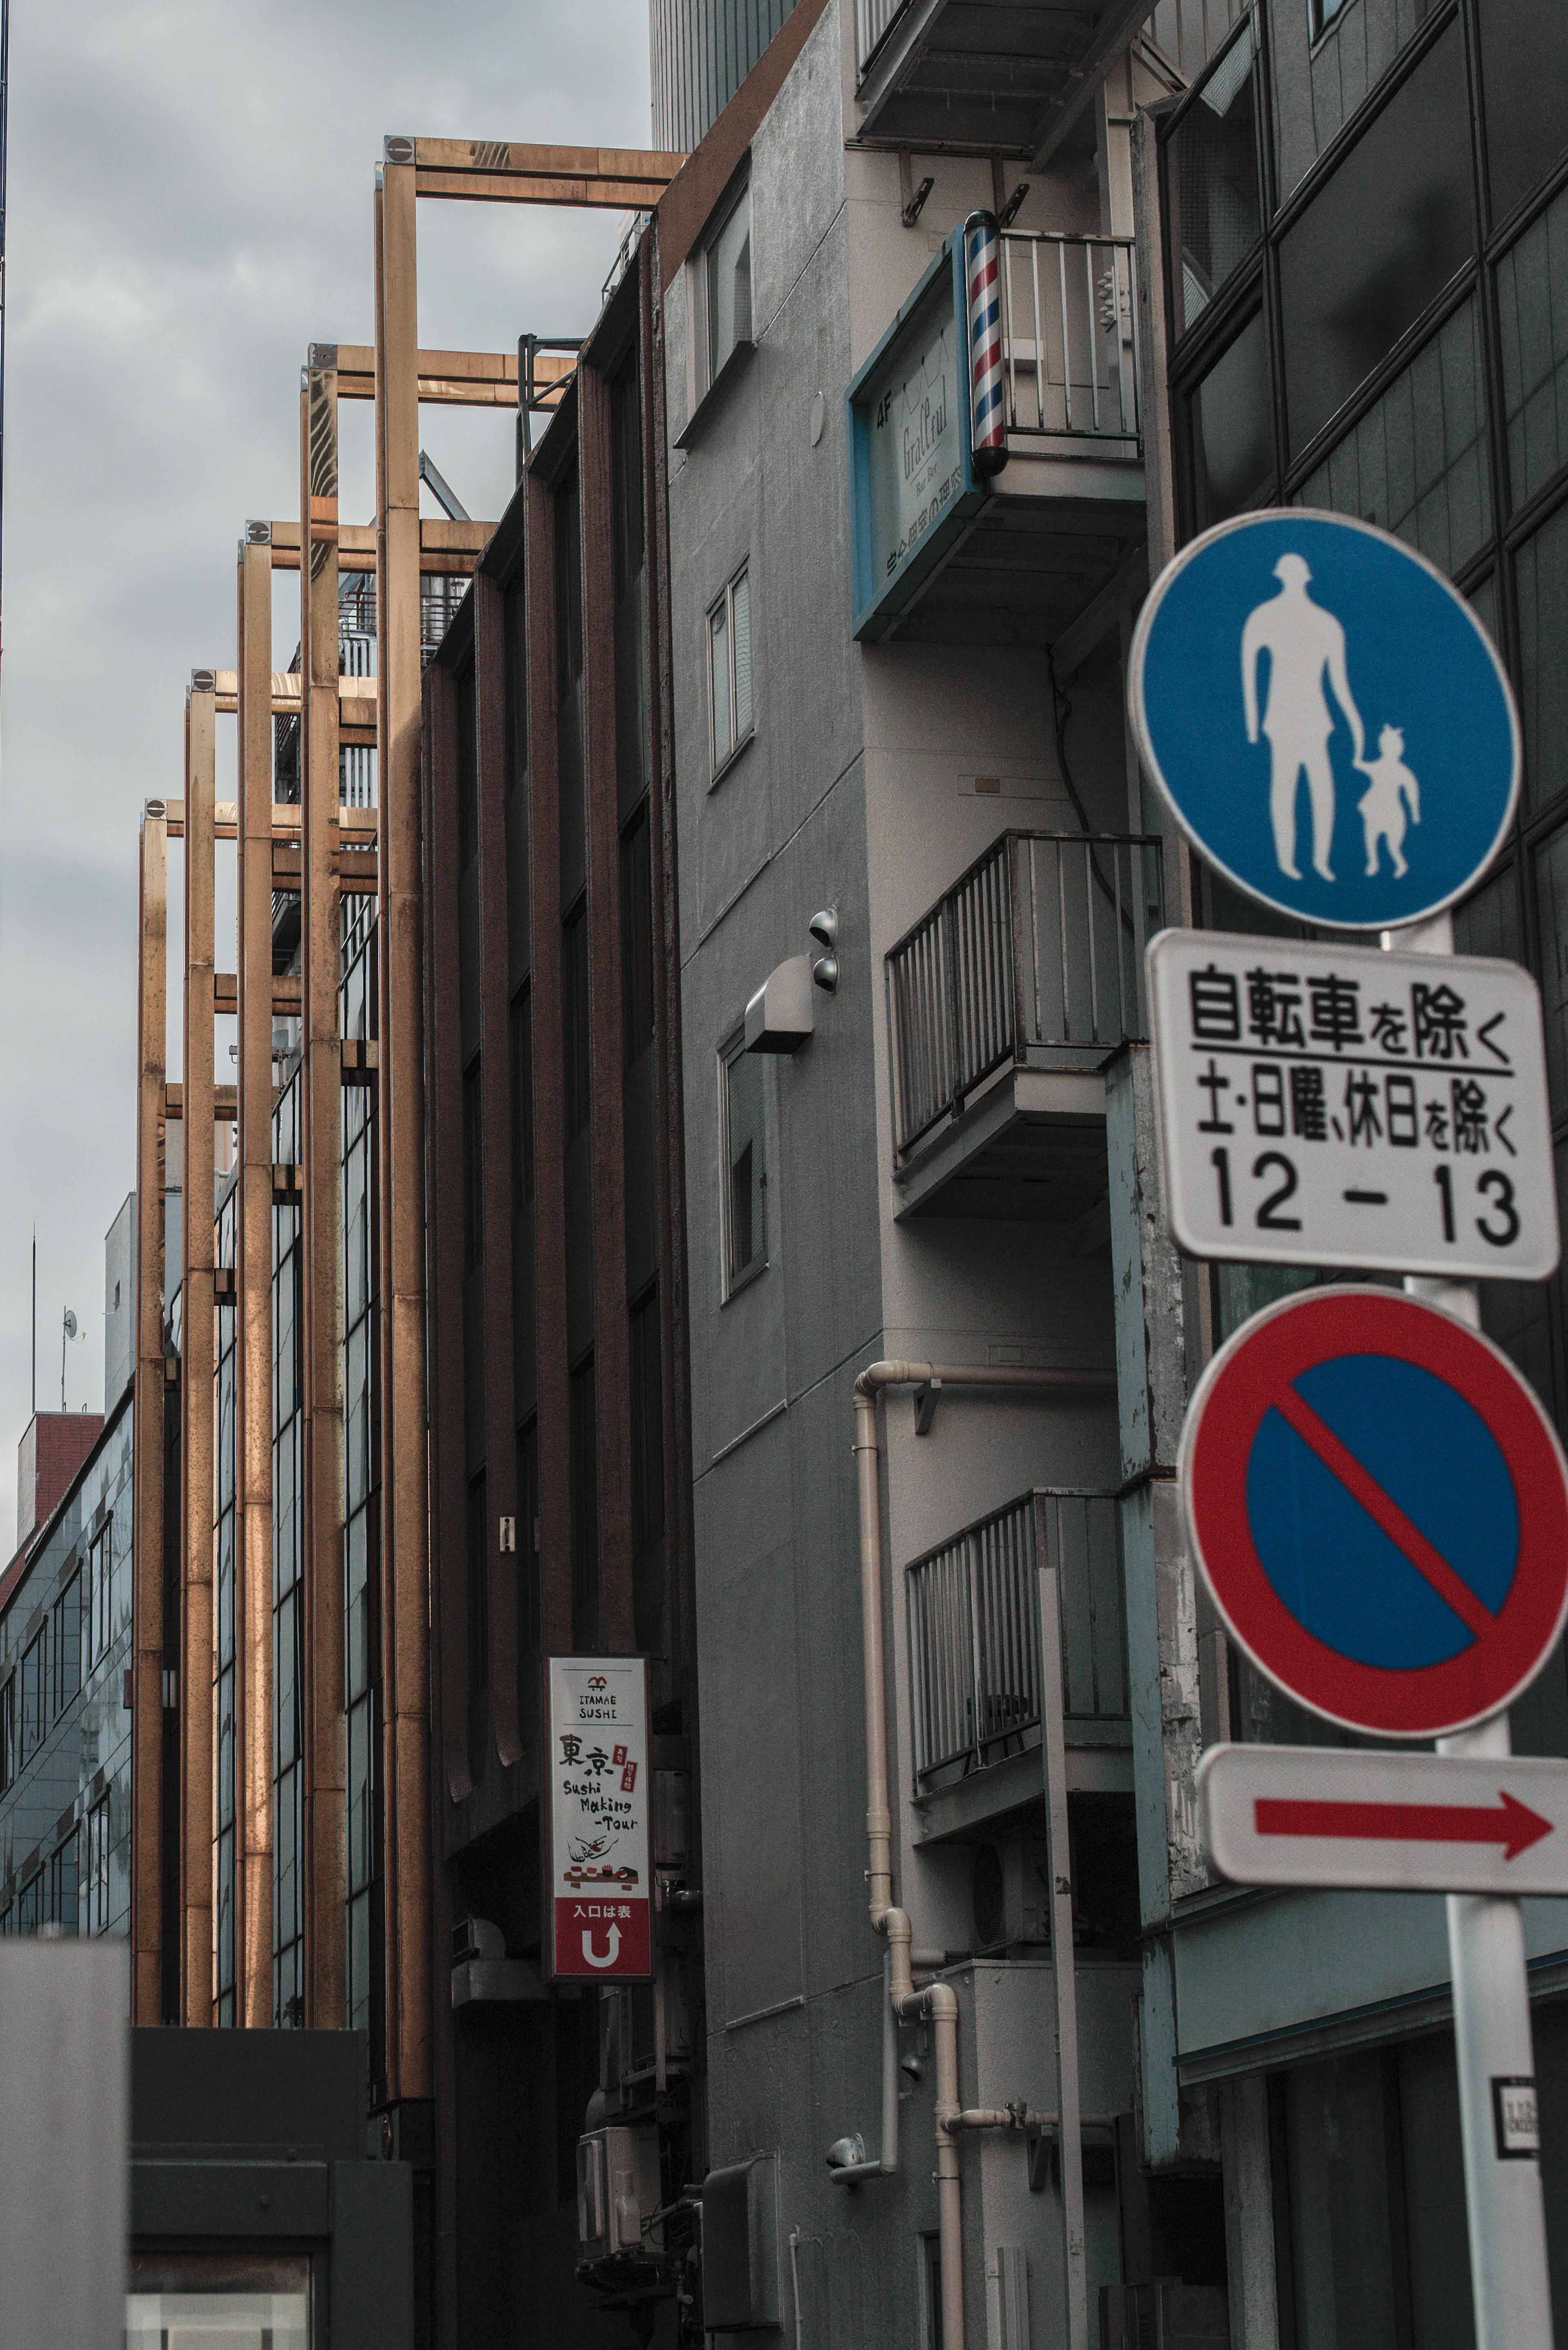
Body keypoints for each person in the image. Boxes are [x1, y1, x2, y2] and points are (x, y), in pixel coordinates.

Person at [1241, 552, 1368, 883]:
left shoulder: (1323, 623)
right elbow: (1250, 674)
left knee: (1315, 790)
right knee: (1293, 789)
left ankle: (1317, 863)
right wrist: (1252, 724)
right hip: (1284, 720)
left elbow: (1340, 684)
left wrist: (1356, 725)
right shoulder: (1270, 617)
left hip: (1311, 719)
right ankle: (1290, 863)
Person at [1356, 722, 1421, 878]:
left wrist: (1415, 813)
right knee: (1371, 838)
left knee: (1394, 846)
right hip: (1374, 809)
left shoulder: (1402, 772)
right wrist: (1357, 761)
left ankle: (1401, 865)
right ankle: (1373, 863)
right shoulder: (1378, 766)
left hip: (1393, 811)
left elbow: (1412, 793)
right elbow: (1361, 766)